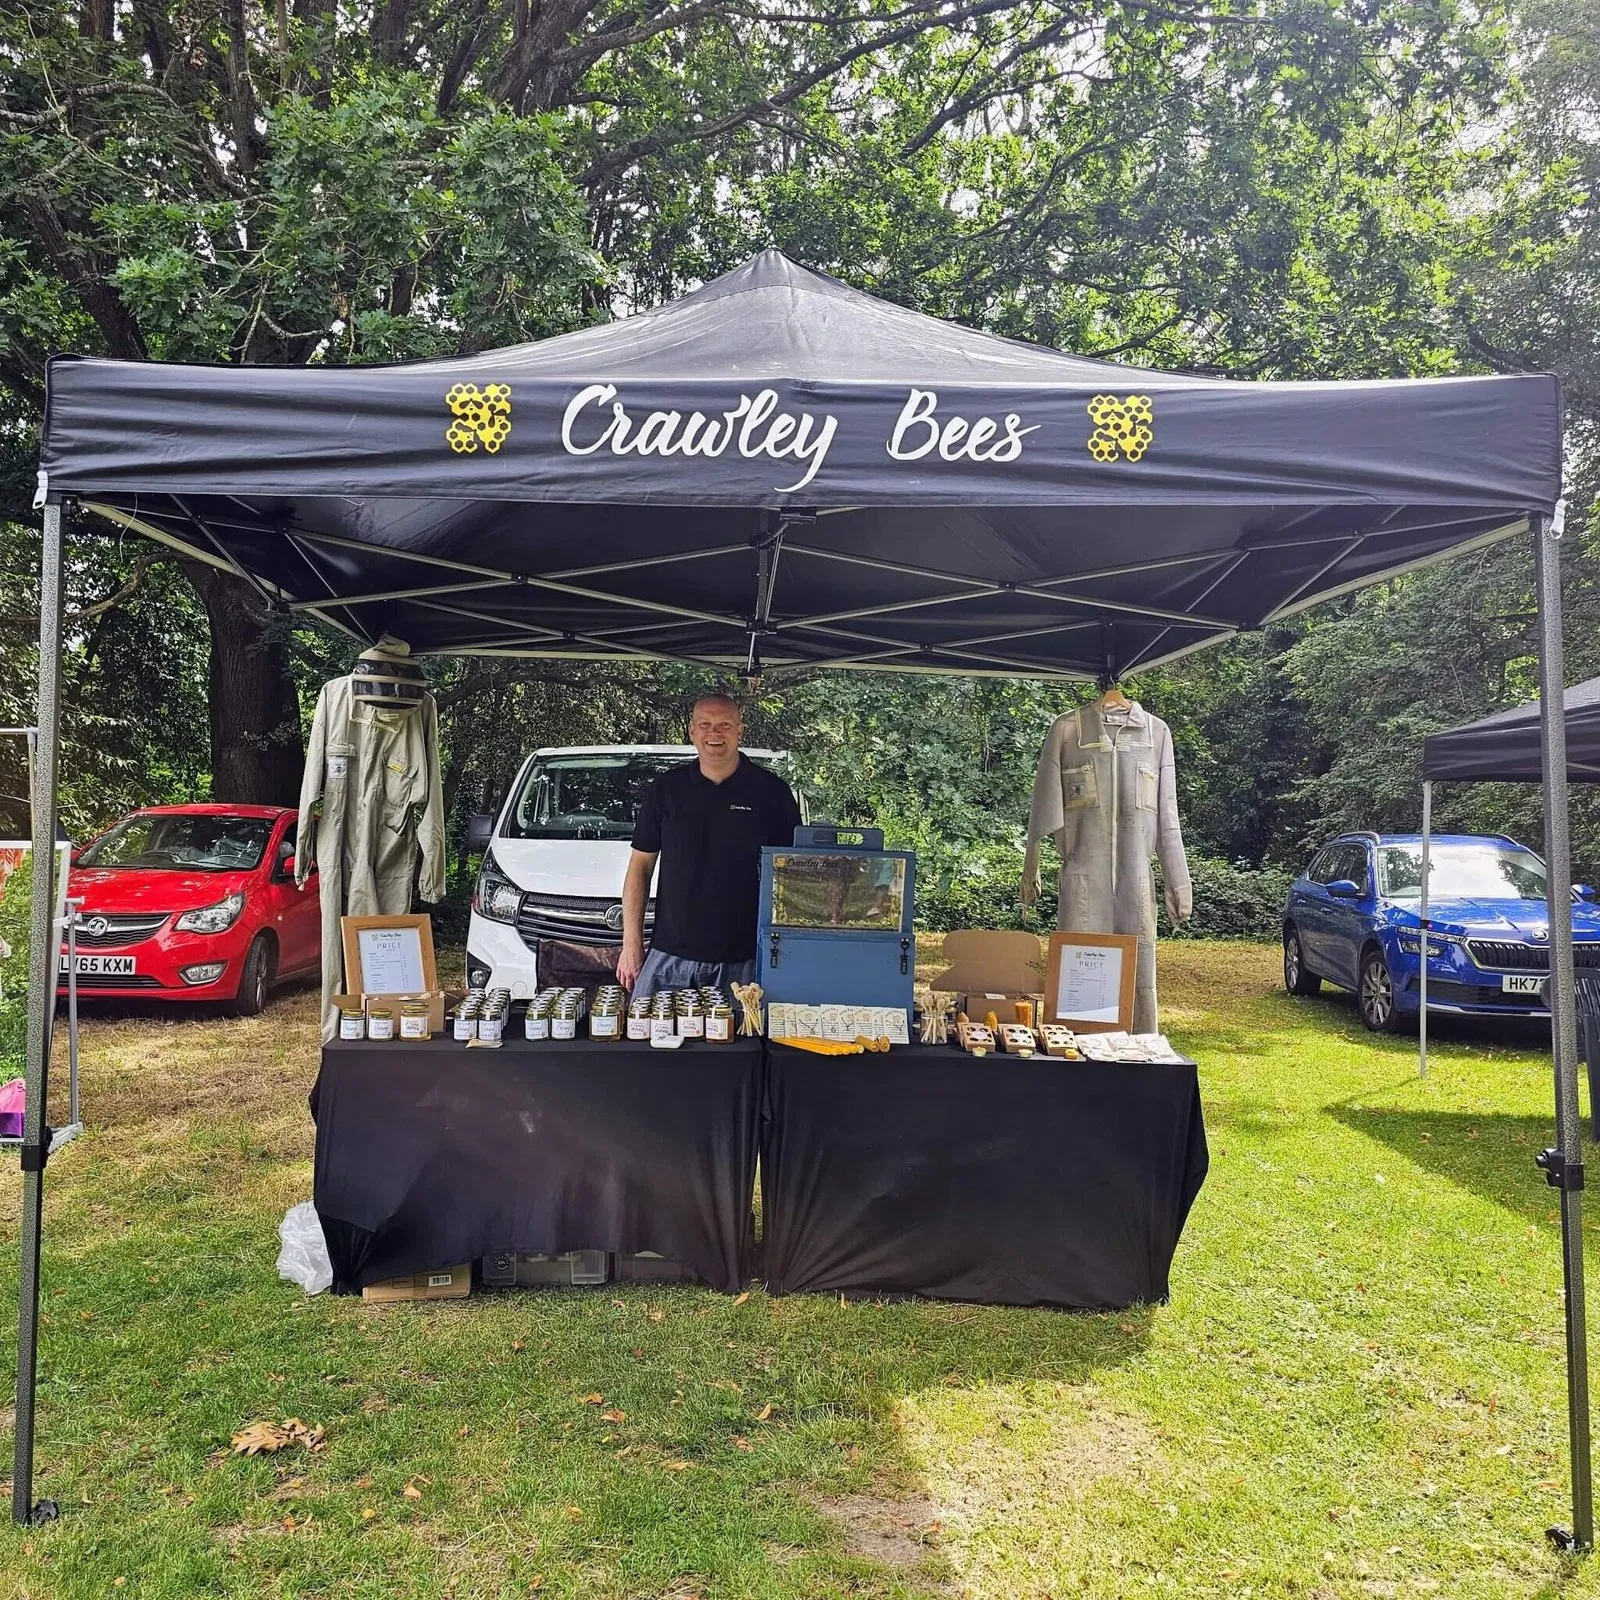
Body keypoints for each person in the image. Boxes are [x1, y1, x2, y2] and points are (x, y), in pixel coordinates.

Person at [617, 692, 802, 997]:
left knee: (743, 1045)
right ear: (692, 731)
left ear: (740, 731)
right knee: (648, 1040)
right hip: (670, 954)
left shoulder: (773, 793)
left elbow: (792, 879)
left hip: (746, 959)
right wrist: (631, 945)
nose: (714, 732)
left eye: (724, 724)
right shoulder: (666, 790)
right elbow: (640, 868)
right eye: (705, 724)